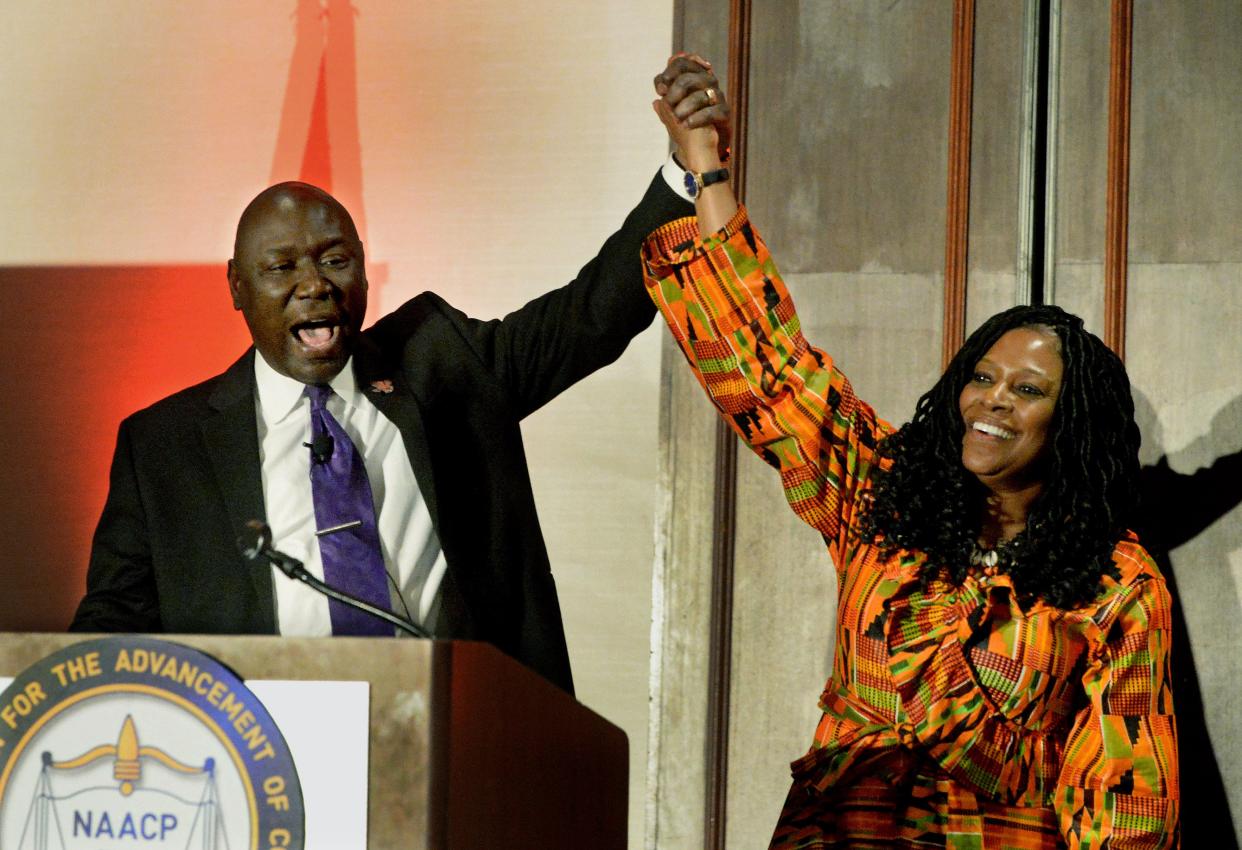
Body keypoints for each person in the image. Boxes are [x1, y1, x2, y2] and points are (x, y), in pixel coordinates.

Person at [646, 57, 1179, 847]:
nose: (993, 398)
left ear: (1074, 428)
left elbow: (1126, 802)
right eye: (982, 376)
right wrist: (707, 165)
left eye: (1028, 391)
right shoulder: (883, 497)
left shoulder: (1115, 583)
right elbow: (769, 360)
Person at [69, 130, 721, 693]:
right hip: (262, 765)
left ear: (364, 274)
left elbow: (590, 316)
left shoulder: (445, 366)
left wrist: (687, 171)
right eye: (282, 266)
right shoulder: (164, 448)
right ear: (238, 287)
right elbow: (110, 630)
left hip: (455, 741)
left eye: (334, 260)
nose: (315, 284)